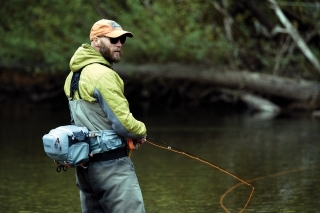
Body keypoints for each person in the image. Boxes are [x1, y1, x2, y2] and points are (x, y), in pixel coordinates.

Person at [63, 19, 147, 213]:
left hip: (85, 168)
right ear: (96, 42)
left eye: (122, 40)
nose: (119, 44)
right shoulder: (103, 75)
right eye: (113, 39)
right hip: (112, 167)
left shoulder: (73, 75)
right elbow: (124, 124)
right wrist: (140, 131)